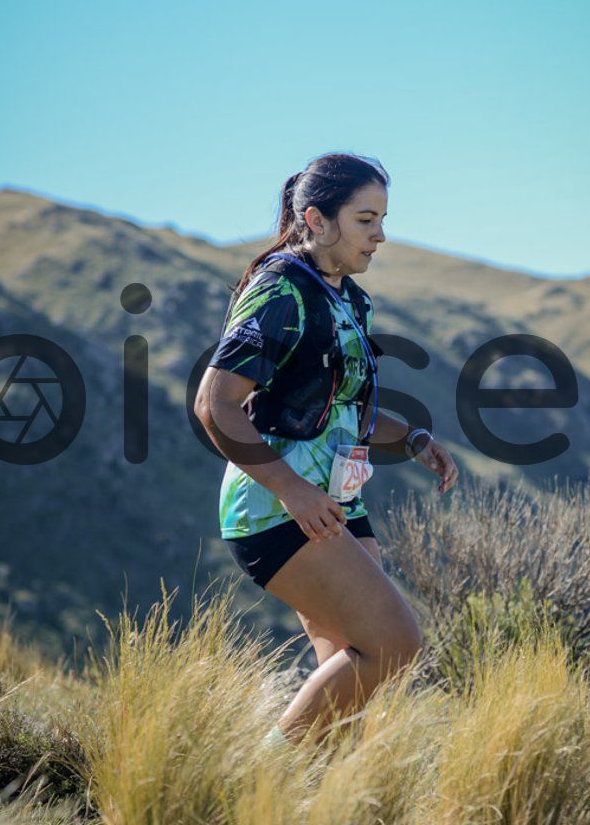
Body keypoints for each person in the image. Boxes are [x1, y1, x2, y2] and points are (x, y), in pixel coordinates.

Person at [194, 152, 458, 749]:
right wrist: (293, 491)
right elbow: (215, 404)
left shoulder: (350, 300)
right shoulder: (279, 290)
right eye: (365, 219)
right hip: (278, 506)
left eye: (382, 220)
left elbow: (346, 407)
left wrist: (414, 439)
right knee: (395, 645)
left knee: (350, 667)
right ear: (315, 219)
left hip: (338, 501)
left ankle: (311, 794)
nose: (380, 235)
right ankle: (258, 773)